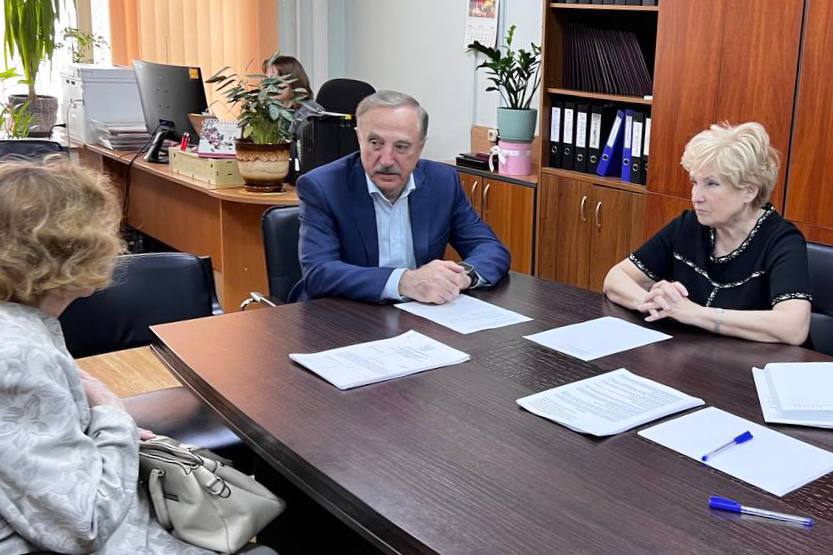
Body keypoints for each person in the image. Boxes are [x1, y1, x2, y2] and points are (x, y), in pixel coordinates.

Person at [0, 158, 224, 554]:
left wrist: (103, 431)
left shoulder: (23, 327)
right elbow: (84, 526)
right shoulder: (21, 357)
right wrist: (112, 415)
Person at [603, 122, 812, 345]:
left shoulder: (781, 240)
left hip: (757, 363)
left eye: (712, 184)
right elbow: (615, 278)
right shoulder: (689, 225)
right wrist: (653, 302)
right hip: (695, 356)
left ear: (749, 191)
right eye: (695, 182)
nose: (696, 196)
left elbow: (793, 327)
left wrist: (693, 313)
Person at [296, 90, 510, 304]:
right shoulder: (323, 186)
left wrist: (461, 276)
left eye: (401, 147)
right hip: (343, 313)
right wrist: (403, 281)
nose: (387, 160)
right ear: (359, 138)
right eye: (375, 143)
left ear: (420, 147)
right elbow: (319, 273)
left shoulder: (443, 182)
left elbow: (490, 249)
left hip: (420, 312)